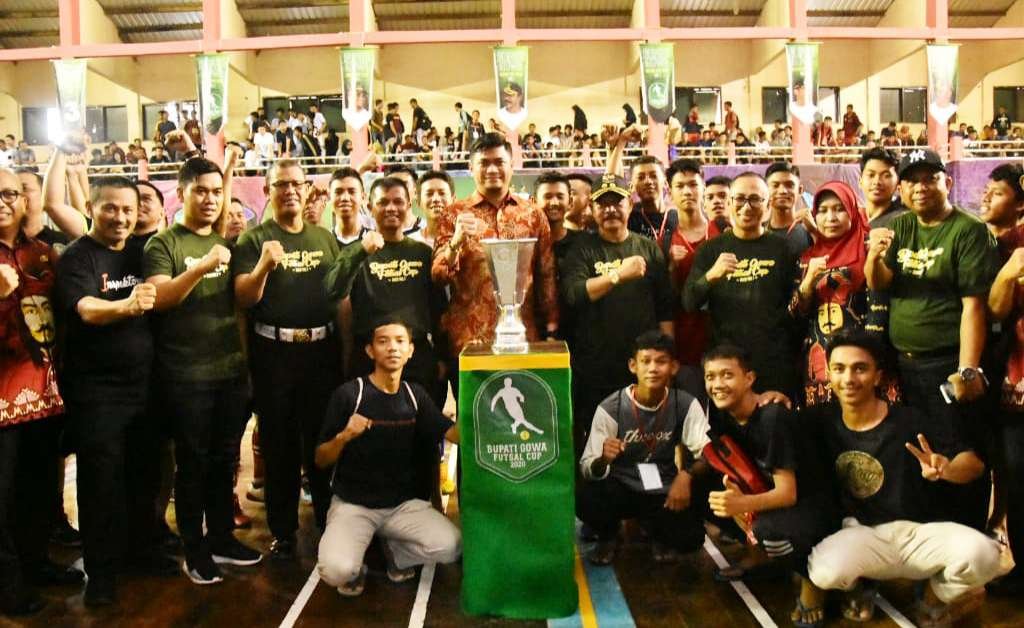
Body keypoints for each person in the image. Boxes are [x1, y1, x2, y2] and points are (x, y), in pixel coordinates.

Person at [804, 333, 1001, 627]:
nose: (849, 378)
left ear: (878, 376)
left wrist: (946, 469)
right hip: (863, 535)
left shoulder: (911, 420)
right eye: (839, 368)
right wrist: (769, 400)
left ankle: (932, 599)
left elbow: (973, 465)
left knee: (986, 555)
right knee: (825, 571)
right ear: (828, 374)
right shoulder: (819, 421)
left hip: (919, 535)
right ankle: (859, 586)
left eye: (860, 368)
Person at [54, 177, 176, 606]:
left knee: (144, 476)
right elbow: (86, 309)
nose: (120, 217)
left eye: (128, 209)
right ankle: (101, 574)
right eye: (110, 208)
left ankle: (140, 552)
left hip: (144, 386)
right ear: (91, 207)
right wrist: (126, 305)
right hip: (97, 393)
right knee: (100, 484)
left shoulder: (142, 252)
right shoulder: (77, 257)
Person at [865, 148, 999, 531]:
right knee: (925, 453)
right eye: (912, 181)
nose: (920, 187)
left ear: (948, 182)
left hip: (947, 362)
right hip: (907, 365)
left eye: (930, 179)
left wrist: (967, 370)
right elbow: (880, 283)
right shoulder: (902, 226)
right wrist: (873, 257)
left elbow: (974, 307)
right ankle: (936, 535)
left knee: (962, 453)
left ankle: (970, 537)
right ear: (902, 189)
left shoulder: (968, 230)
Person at [143, 156, 262, 585]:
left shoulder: (224, 242)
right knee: (192, 464)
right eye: (201, 191)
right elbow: (159, 298)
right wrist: (200, 268)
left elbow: (240, 306)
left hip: (229, 372)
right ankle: (194, 549)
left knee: (225, 461)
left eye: (217, 192)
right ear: (182, 193)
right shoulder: (163, 245)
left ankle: (222, 538)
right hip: (186, 375)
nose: (211, 199)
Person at [232, 159, 343, 559]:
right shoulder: (253, 239)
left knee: (321, 441)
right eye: (281, 184)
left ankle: (330, 522)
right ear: (267, 191)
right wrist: (264, 265)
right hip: (274, 354)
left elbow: (337, 298)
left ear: (307, 188)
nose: (290, 190)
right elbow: (243, 298)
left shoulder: (324, 238)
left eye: (297, 183)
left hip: (320, 353)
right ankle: (283, 532)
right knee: (279, 447)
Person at [314, 319, 461, 596]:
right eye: (383, 341)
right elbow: (321, 459)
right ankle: (359, 562)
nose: (392, 347)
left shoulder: (415, 396)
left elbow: (454, 434)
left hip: (401, 507)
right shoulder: (350, 395)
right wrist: (345, 435)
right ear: (370, 351)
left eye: (400, 341)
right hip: (353, 506)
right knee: (337, 571)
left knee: (451, 546)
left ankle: (394, 553)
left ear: (411, 350)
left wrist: (480, 390)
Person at [702, 344, 836, 626]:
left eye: (727, 375)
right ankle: (761, 557)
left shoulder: (772, 418)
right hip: (773, 494)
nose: (718, 384)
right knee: (701, 485)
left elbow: (788, 494)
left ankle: (811, 580)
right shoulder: (724, 413)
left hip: (814, 504)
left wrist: (742, 504)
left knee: (769, 531)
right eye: (710, 377)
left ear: (749, 378)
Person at [0, 168, 81, 617]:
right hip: (2, 401)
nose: (3, 201)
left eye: (10, 193)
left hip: (45, 396)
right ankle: (8, 585)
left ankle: (35, 564)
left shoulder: (43, 253)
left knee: (38, 492)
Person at [560, 173, 673, 448]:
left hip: (641, 366)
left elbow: (665, 307)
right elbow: (574, 294)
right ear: (592, 209)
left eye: (617, 202)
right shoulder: (582, 249)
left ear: (630, 205)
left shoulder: (647, 248)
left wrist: (669, 357)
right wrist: (617, 275)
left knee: (642, 440)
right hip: (595, 366)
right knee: (598, 443)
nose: (610, 209)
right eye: (602, 203)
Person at [577, 331, 710, 565]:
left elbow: (709, 453)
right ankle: (609, 534)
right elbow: (588, 468)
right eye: (645, 361)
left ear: (674, 367)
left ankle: (656, 530)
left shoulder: (685, 404)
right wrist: (603, 460)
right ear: (633, 366)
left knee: (692, 539)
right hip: (621, 488)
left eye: (661, 361)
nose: (653, 368)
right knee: (586, 497)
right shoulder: (611, 407)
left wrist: (686, 475)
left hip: (662, 488)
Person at [432, 133, 558, 362]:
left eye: (499, 162)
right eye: (484, 163)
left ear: (512, 166)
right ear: (471, 168)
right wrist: (456, 242)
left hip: (524, 338)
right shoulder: (453, 215)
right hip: (470, 341)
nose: (492, 170)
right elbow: (438, 275)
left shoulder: (533, 214)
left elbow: (546, 274)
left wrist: (550, 328)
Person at [326, 176, 446, 406]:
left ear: (409, 205)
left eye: (398, 202)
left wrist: (441, 357)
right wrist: (361, 252)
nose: (391, 208)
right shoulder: (356, 252)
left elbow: (439, 307)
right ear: (370, 207)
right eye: (383, 202)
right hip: (370, 358)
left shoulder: (422, 253)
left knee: (423, 423)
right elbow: (332, 290)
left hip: (416, 357)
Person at [683, 172, 800, 397]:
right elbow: (689, 302)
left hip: (773, 362)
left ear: (768, 205)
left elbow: (795, 309)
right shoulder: (710, 250)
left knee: (772, 417)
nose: (747, 207)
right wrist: (711, 276)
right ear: (729, 203)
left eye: (755, 199)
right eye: (739, 199)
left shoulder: (783, 249)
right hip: (726, 364)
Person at [793, 182, 871, 407]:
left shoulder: (869, 249)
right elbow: (795, 314)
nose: (831, 218)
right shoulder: (806, 258)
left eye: (839, 209)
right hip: (820, 364)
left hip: (864, 358)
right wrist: (809, 281)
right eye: (823, 211)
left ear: (852, 210)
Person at [984, 163, 1024, 594]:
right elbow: (995, 309)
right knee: (1014, 473)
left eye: (998, 192)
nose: (986, 197)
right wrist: (1011, 271)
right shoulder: (1007, 246)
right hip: (1015, 382)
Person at [664, 159, 715, 367]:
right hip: (684, 346)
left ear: (703, 187)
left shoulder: (723, 232)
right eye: (680, 186)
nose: (687, 191)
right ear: (670, 192)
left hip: (722, 341)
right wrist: (670, 267)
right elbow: (663, 300)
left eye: (693, 184)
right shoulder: (664, 242)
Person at [765, 162, 812, 256]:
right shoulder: (756, 231)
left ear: (800, 190)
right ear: (765, 190)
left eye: (789, 185)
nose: (782, 191)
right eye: (775, 185)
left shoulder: (810, 232)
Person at [626, 156, 678, 242]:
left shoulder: (679, 218)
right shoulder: (629, 217)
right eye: (641, 177)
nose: (648, 181)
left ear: (665, 183)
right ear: (631, 186)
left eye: (654, 176)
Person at [859, 147, 905, 229]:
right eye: (871, 175)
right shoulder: (850, 219)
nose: (877, 182)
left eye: (886, 176)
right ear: (860, 181)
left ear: (898, 182)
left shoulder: (903, 221)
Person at [328, 167, 371, 246]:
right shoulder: (324, 242)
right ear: (329, 197)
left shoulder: (375, 241)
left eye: (352, 192)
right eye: (338, 192)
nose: (345, 198)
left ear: (363, 197)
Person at [416, 170, 454, 247]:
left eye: (442, 193)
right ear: (418, 202)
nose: (436, 199)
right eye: (429, 194)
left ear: (453, 200)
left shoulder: (466, 242)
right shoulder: (411, 243)